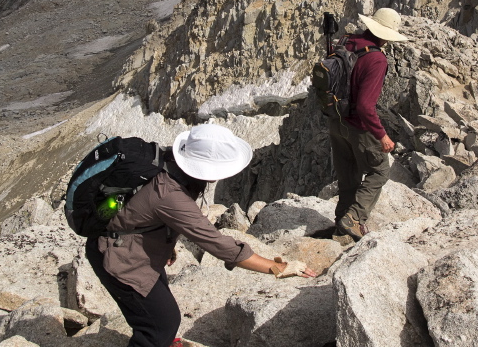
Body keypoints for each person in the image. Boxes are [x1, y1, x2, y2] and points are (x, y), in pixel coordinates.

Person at [86, 123, 315, 347]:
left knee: (158, 313)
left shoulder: (169, 163)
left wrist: (166, 241)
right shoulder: (170, 193)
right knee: (162, 325)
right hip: (117, 256)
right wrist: (278, 268)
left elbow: (143, 211)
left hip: (133, 246)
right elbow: (218, 244)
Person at [328, 7, 408, 241]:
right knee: (379, 171)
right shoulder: (376, 58)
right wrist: (382, 135)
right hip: (358, 127)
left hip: (336, 121)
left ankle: (340, 232)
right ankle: (353, 218)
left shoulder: (347, 42)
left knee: (348, 178)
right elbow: (365, 106)